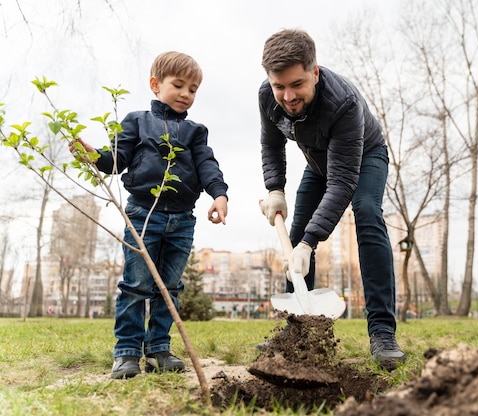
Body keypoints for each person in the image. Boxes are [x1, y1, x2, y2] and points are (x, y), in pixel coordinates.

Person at [70, 51, 229, 379]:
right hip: (144, 214)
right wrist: (94, 156)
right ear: (156, 85)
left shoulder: (196, 132)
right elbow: (117, 159)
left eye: (194, 89)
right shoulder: (137, 121)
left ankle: (158, 349)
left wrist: (219, 194)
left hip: (183, 220)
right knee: (137, 284)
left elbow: (207, 165)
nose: (186, 94)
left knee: (169, 286)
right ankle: (126, 353)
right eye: (179, 85)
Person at [257, 29, 405, 371]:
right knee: (295, 234)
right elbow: (271, 144)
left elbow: (342, 182)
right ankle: (296, 333)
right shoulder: (267, 96)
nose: (288, 96)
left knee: (367, 212)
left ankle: (382, 332)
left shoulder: (343, 102)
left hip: (365, 155)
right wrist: (275, 189)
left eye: (297, 84)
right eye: (280, 86)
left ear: (315, 72)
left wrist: (311, 242)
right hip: (317, 160)